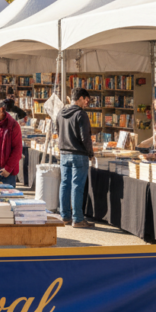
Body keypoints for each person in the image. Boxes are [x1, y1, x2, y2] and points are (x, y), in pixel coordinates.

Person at [56, 88, 95, 228]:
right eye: (86, 100)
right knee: (77, 186)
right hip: (79, 154)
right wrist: (90, 152)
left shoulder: (60, 113)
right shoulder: (81, 114)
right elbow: (86, 137)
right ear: (79, 98)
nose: (87, 103)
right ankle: (78, 219)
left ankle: (65, 216)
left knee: (65, 184)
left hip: (64, 153)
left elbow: (58, 132)